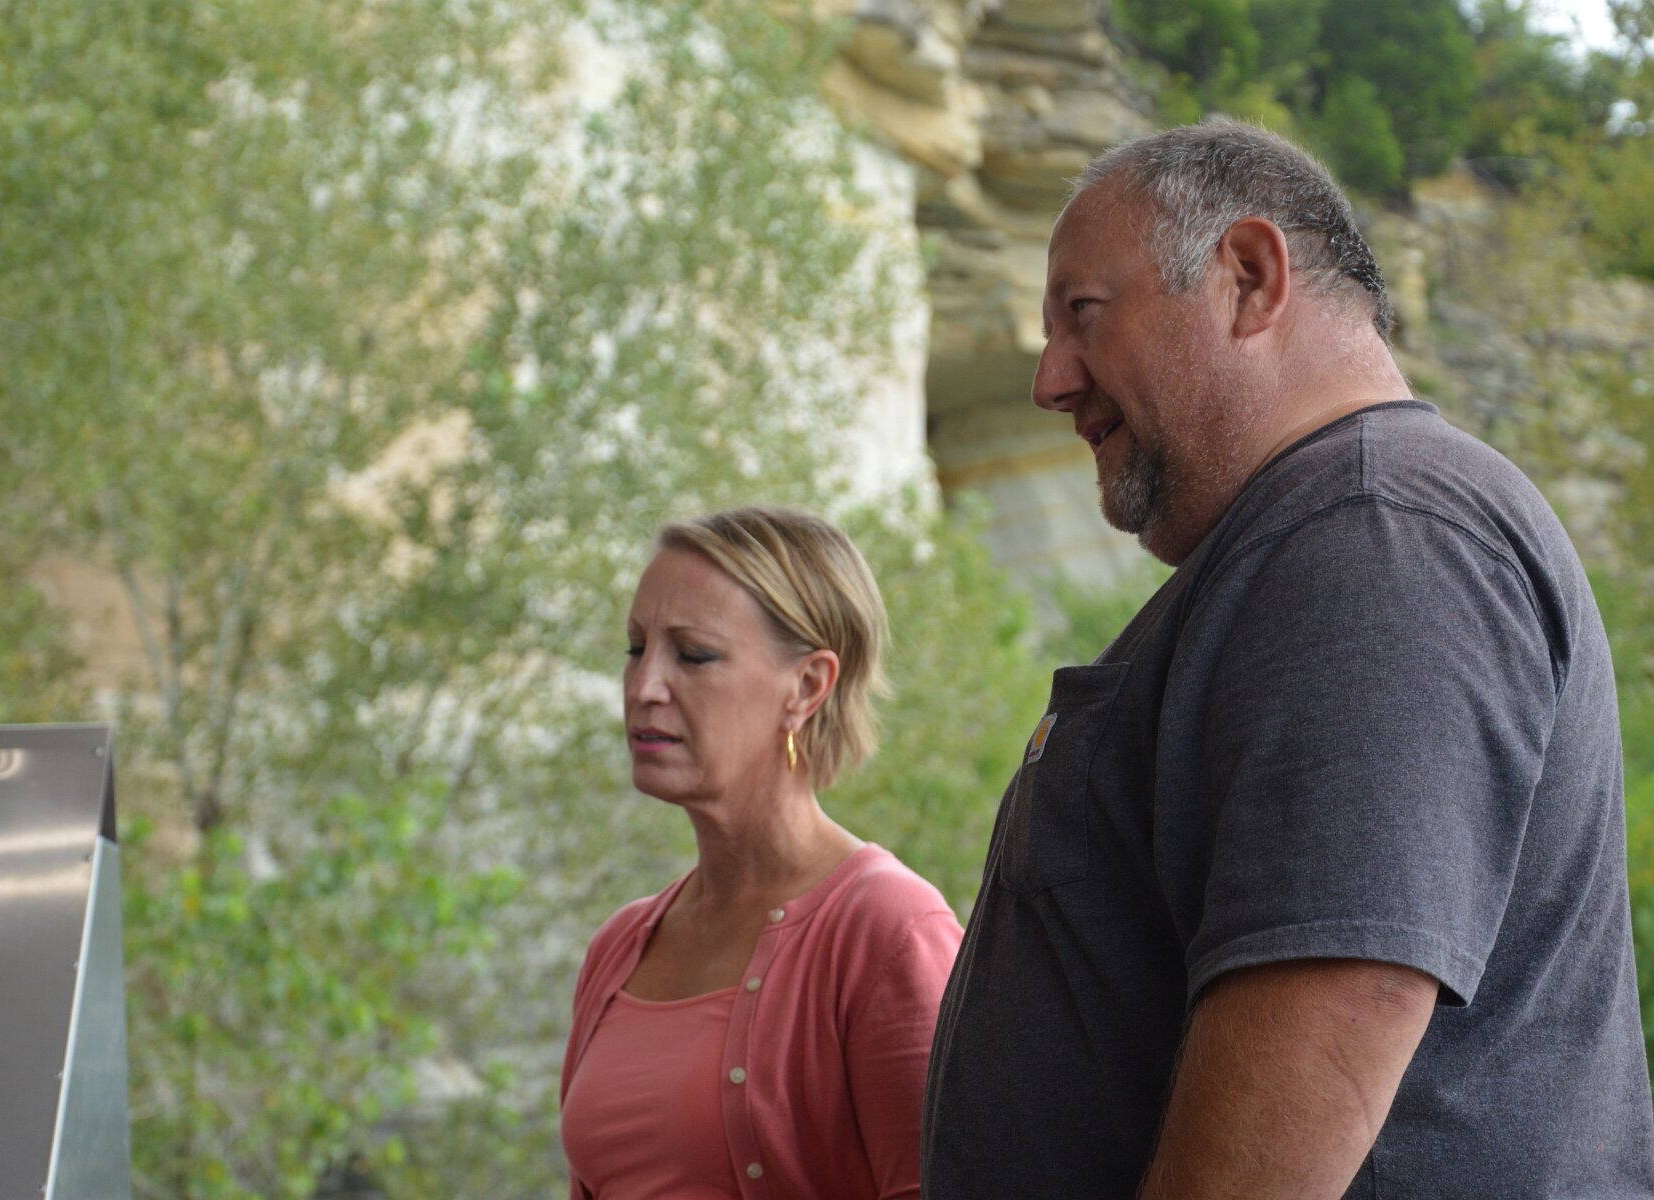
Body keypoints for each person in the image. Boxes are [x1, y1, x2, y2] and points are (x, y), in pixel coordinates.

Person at [922, 119, 1654, 1197]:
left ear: (1249, 278)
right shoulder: (1324, 535)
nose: (1049, 381)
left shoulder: (1375, 531)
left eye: (1083, 314)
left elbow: (1339, 1002)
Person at [561, 505, 961, 1199]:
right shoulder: (619, 946)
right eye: (635, 648)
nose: (643, 687)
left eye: (693, 655)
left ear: (807, 686)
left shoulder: (888, 929)